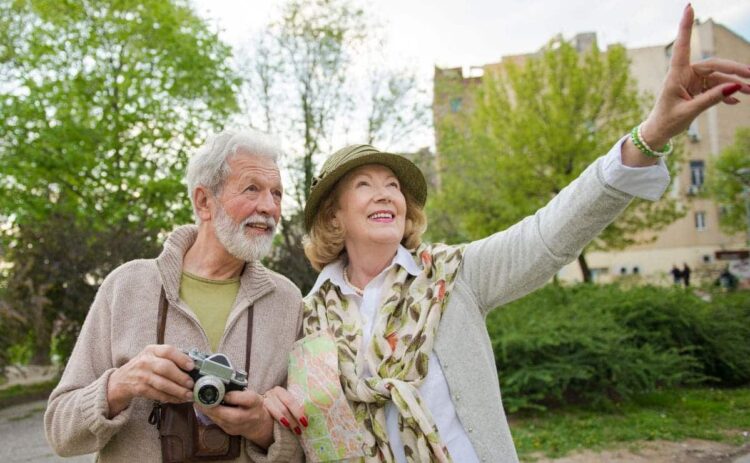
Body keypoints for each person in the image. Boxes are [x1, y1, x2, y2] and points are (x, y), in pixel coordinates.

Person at [262, 5, 749, 462]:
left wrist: (651, 133)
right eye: (364, 185)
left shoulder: (455, 275)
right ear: (333, 217)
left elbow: (550, 233)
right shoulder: (309, 316)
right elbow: (302, 425)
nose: (386, 194)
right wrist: (282, 405)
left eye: (393, 185)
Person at [44, 130, 305, 462]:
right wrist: (121, 385)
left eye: (277, 194)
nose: (269, 207)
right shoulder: (126, 285)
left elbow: (309, 444)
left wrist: (262, 428)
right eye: (252, 188)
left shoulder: (288, 301)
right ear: (203, 201)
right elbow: (59, 433)